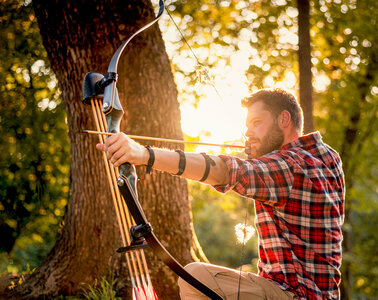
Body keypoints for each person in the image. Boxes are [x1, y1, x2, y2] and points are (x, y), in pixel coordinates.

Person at [96, 89, 345, 300]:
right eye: (247, 126)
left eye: (257, 123)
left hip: (294, 294)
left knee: (195, 277)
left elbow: (227, 171)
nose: (248, 133)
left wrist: (143, 155)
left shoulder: (291, 167)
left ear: (284, 120)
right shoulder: (326, 157)